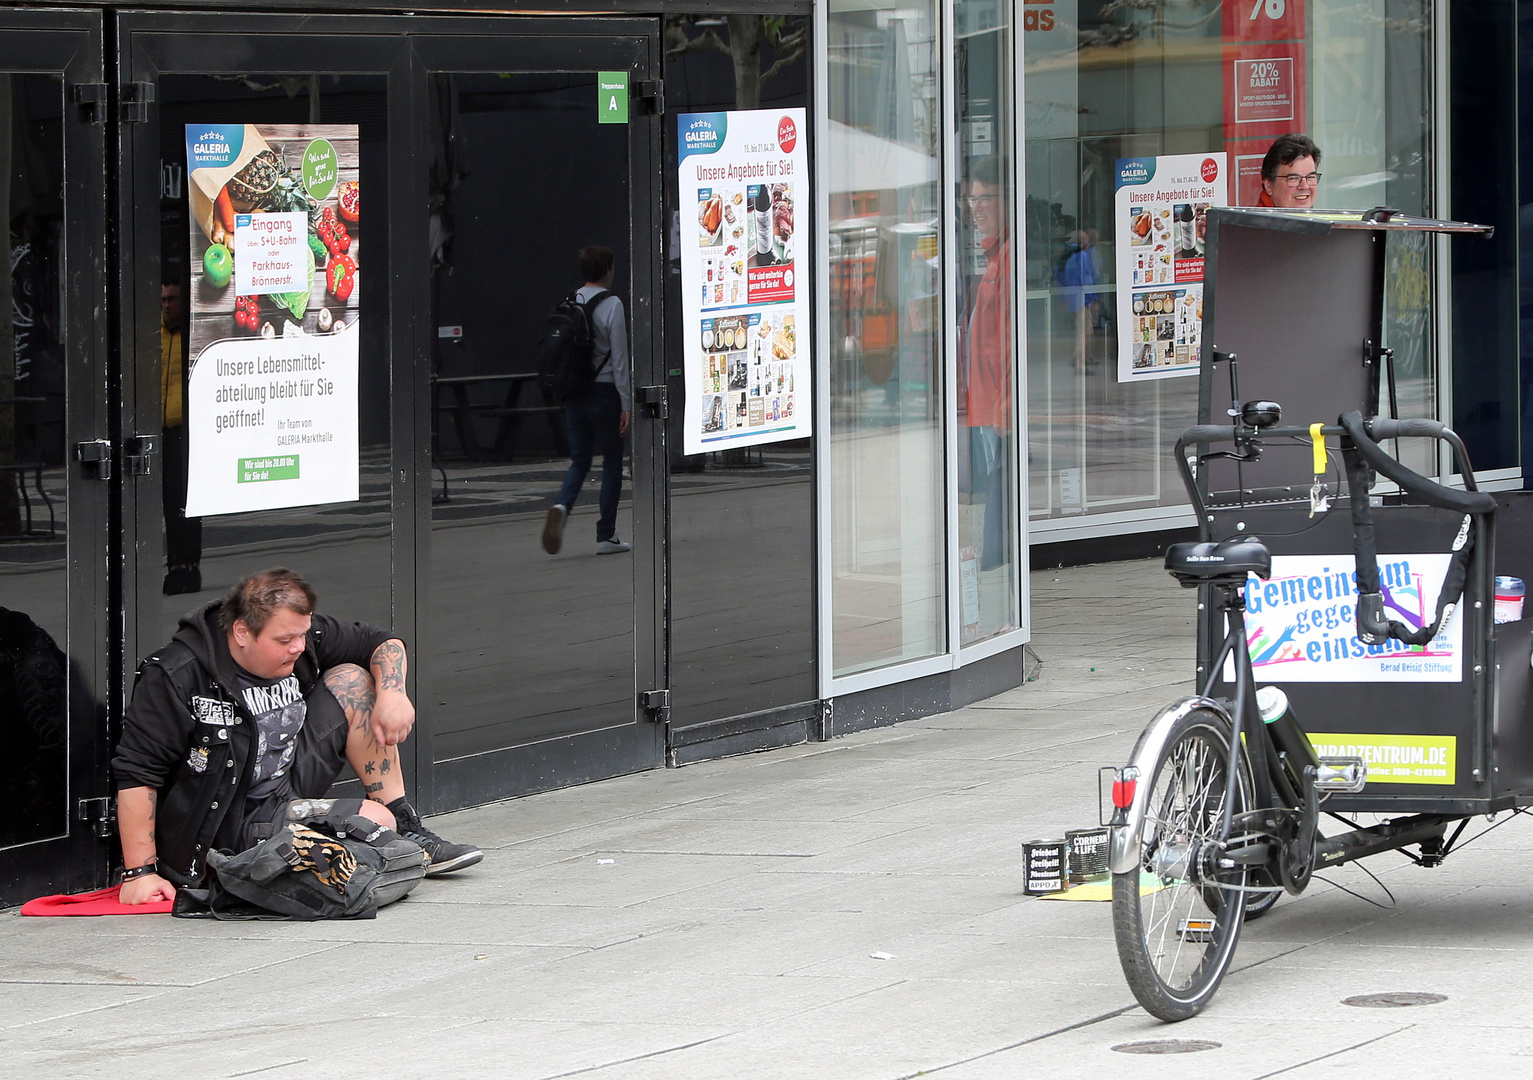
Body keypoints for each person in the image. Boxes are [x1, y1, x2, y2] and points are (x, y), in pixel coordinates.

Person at [112, 567, 482, 905]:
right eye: (285, 639)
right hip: (232, 821)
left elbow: (383, 641)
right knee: (373, 821)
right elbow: (137, 773)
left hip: (290, 786)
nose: (299, 647)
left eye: (303, 634)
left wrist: (394, 693)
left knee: (352, 680)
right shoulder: (176, 675)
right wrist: (140, 873)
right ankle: (375, 837)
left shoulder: (303, 637)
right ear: (242, 632)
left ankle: (407, 826)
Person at [542, 245, 632, 556]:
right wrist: (626, 403)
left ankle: (561, 506)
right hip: (604, 392)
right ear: (607, 269)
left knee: (580, 461)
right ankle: (606, 535)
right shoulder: (612, 304)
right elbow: (619, 358)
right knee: (611, 462)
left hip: (574, 392)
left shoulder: (571, 300)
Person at [963, 156, 1014, 572]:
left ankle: (1000, 568)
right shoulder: (995, 258)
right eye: (972, 199)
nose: (976, 208)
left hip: (995, 407)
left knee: (1001, 489)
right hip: (985, 404)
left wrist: (1003, 405)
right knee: (996, 488)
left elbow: (1009, 345)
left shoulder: (1007, 261)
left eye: (985, 198)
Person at [160, 282, 203, 596]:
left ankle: (186, 563)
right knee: (167, 500)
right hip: (158, 430)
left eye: (172, 299)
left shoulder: (192, 335)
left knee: (184, 501)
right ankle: (175, 561)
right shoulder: (155, 337)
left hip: (186, 432)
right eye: (163, 300)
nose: (166, 305)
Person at [1256, 133, 1322, 209]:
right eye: (1293, 178)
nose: (1305, 186)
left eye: (1311, 177)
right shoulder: (1256, 221)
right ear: (1269, 185)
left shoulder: (1316, 218)